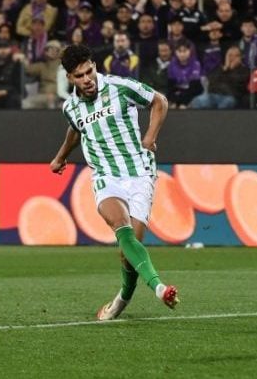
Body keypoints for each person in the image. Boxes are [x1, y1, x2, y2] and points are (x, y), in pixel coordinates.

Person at [51, 44, 178, 320]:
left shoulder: (120, 86)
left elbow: (159, 101)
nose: (87, 79)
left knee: (128, 254)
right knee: (123, 229)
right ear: (70, 78)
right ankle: (159, 288)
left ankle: (122, 298)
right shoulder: (70, 107)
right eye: (79, 76)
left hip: (140, 173)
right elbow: (76, 130)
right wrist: (61, 157)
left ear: (95, 66)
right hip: (105, 176)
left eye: (89, 71)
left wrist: (150, 136)